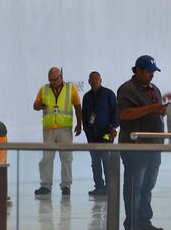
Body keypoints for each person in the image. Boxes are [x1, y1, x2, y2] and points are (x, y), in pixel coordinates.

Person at [117, 55, 167, 230]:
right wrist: (151, 109)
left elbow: (156, 111)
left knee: (148, 186)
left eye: (153, 72)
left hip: (154, 146)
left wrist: (162, 110)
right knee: (134, 186)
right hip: (135, 146)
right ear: (137, 70)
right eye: (148, 72)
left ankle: (145, 221)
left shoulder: (155, 90)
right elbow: (124, 114)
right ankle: (131, 223)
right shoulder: (127, 89)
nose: (151, 75)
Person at [32, 67, 82, 197]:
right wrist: (40, 105)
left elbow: (77, 106)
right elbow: (35, 105)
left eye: (55, 79)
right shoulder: (44, 89)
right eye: (50, 80)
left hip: (65, 129)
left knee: (66, 158)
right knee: (47, 158)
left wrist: (79, 124)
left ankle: (66, 186)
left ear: (61, 77)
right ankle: (45, 186)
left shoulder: (70, 88)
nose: (52, 82)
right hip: (48, 130)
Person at [82, 71, 119, 198]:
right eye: (91, 80)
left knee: (106, 159)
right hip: (92, 135)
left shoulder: (109, 94)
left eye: (96, 79)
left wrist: (114, 128)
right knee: (95, 161)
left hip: (106, 134)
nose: (94, 82)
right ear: (88, 81)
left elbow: (115, 112)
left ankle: (110, 187)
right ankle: (99, 187)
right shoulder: (86, 97)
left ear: (100, 80)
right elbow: (84, 115)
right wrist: (86, 131)